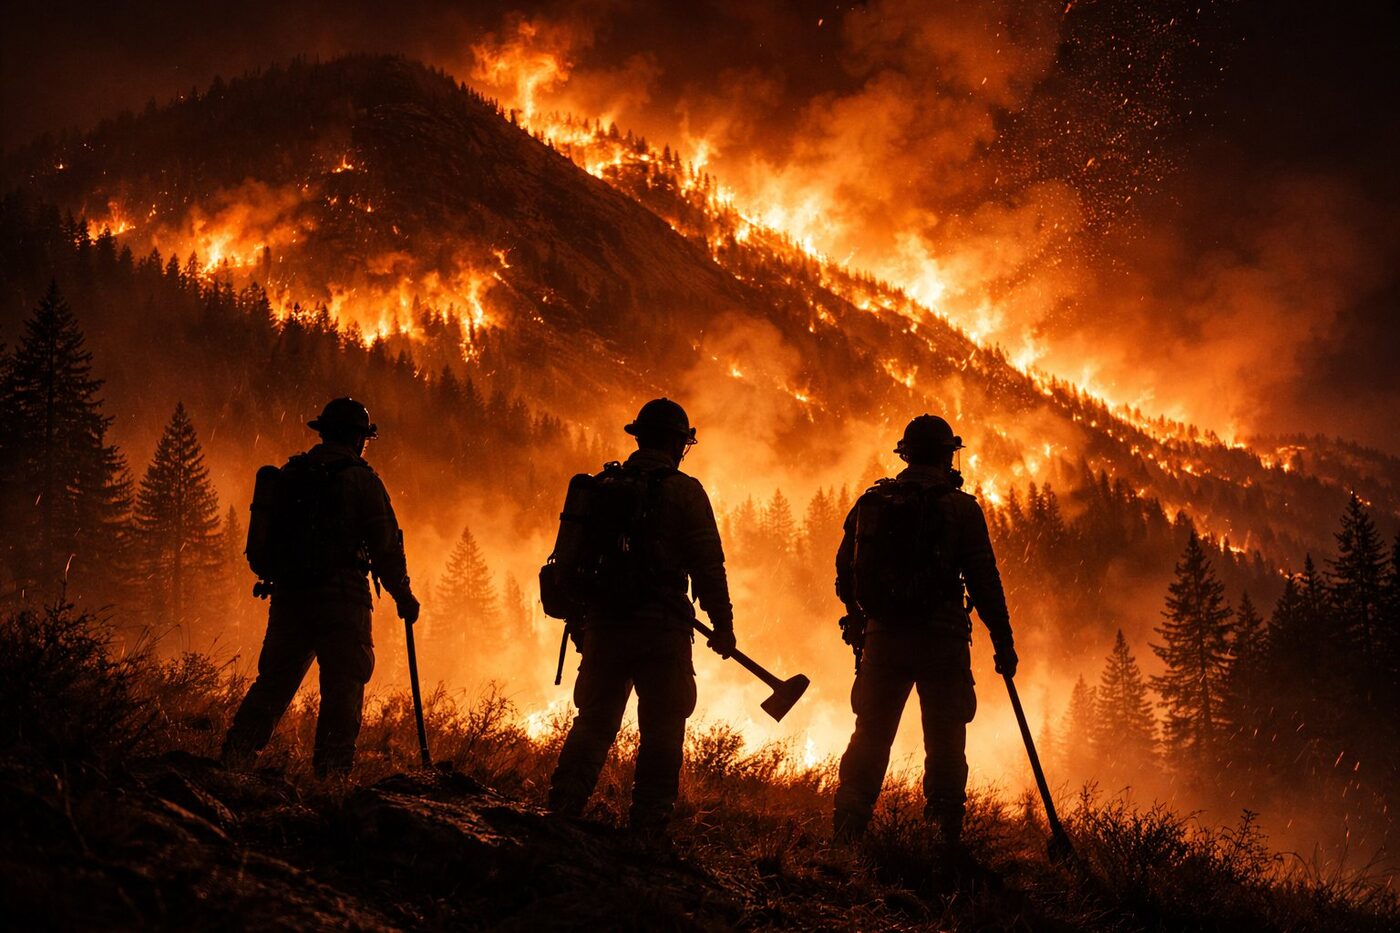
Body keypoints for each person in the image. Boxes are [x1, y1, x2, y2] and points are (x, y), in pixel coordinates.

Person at [547, 398, 735, 836]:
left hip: (605, 626)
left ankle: (561, 811)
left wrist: (582, 622)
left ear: (639, 436)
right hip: (662, 630)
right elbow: (709, 566)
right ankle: (648, 828)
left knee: (593, 722)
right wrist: (722, 626)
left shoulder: (602, 486)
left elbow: (570, 562)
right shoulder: (684, 491)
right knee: (663, 729)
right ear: (677, 442)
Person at [832, 414, 1016, 844]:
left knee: (872, 733)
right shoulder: (960, 508)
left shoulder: (872, 502)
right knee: (946, 739)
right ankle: (942, 836)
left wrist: (862, 625)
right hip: (943, 642)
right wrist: (1003, 641)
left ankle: (848, 828)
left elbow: (845, 572)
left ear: (907, 453)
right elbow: (984, 582)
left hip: (883, 640)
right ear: (947, 455)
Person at [221, 397, 419, 777]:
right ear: (359, 437)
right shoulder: (361, 479)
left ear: (324, 431)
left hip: (290, 597)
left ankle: (234, 760)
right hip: (343, 601)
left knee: (273, 683)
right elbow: (385, 545)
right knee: (343, 688)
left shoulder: (292, 474)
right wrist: (403, 595)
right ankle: (331, 777)